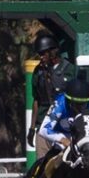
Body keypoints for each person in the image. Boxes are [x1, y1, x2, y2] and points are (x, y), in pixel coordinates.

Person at [20, 77, 89, 178]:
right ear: (68, 100)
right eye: (77, 104)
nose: (80, 107)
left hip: (85, 146)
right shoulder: (60, 103)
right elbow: (44, 129)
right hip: (63, 144)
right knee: (47, 160)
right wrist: (62, 139)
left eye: (83, 104)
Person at [29, 34, 76, 162]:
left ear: (53, 52)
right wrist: (32, 128)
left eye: (43, 53)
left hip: (64, 125)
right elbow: (36, 100)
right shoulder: (38, 71)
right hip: (43, 125)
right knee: (42, 163)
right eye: (39, 54)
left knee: (66, 161)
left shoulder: (70, 70)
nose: (41, 57)